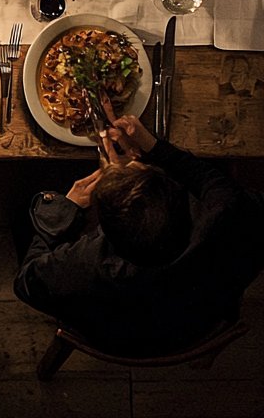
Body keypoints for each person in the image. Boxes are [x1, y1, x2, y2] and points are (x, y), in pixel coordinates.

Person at [14, 114, 264, 356]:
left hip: (113, 337)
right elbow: (213, 182)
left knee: (32, 205)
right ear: (182, 199)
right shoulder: (229, 217)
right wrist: (153, 148)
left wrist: (65, 210)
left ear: (100, 226)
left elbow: (26, 283)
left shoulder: (85, 263)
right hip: (193, 324)